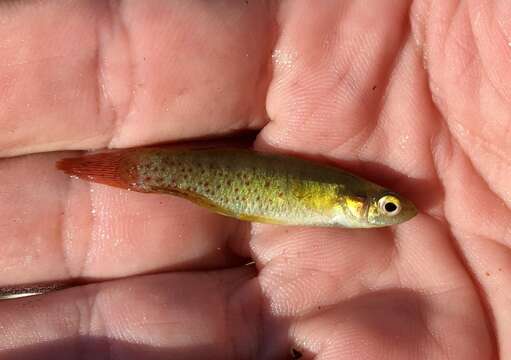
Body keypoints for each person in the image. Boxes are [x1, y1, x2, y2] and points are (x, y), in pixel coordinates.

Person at [0, 1, 507, 359]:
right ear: (355, 201)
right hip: (244, 183)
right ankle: (133, 169)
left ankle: (135, 170)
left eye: (388, 208)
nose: (387, 212)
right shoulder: (338, 195)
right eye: (385, 207)